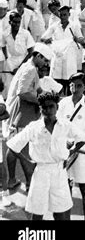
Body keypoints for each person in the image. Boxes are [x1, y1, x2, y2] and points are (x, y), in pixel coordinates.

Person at [7, 92, 85, 220]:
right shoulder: (34, 127)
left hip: (59, 172)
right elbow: (13, 145)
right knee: (37, 212)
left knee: (60, 212)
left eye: (51, 106)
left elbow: (83, 138)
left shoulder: (65, 125)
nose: (48, 110)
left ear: (57, 107)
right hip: (41, 173)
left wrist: (71, 152)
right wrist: (27, 162)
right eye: (44, 107)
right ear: (40, 109)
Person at [5, 43, 53, 192]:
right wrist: (41, 101)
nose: (46, 64)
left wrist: (48, 96)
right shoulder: (30, 69)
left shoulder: (30, 67)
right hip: (20, 113)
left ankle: (12, 179)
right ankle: (30, 184)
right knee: (25, 151)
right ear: (38, 56)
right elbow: (23, 93)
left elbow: (36, 87)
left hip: (21, 112)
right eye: (45, 60)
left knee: (13, 146)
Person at [57, 73, 85, 220]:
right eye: (72, 85)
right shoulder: (63, 104)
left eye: (79, 86)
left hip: (82, 151)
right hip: (65, 150)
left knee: (84, 187)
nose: (75, 89)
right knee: (66, 186)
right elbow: (57, 126)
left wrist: (82, 142)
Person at [41, 5, 84, 93]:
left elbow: (81, 39)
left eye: (65, 15)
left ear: (69, 14)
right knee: (56, 79)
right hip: (57, 55)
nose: (63, 17)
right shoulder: (54, 26)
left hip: (69, 55)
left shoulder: (74, 26)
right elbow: (43, 38)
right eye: (61, 15)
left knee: (69, 78)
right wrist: (48, 40)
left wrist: (77, 39)